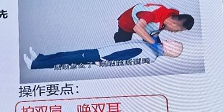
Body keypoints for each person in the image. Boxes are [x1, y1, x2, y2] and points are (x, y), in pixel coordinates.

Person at [23, 39, 183, 70]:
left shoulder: (149, 52)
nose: (167, 40)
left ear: (168, 50)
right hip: (100, 52)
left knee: (66, 59)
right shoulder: (152, 46)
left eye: (171, 43)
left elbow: (124, 58)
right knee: (65, 55)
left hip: (99, 56)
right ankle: (40, 58)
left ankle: (35, 65)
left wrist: (102, 60)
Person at [114, 3, 194, 49]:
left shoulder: (168, 17)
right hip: (127, 22)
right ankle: (118, 37)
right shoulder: (153, 14)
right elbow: (137, 28)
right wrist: (154, 43)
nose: (174, 32)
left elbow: (155, 31)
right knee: (122, 44)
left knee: (156, 47)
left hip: (146, 25)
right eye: (177, 30)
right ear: (174, 24)